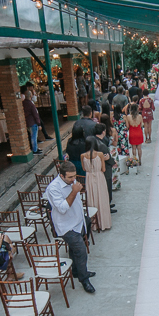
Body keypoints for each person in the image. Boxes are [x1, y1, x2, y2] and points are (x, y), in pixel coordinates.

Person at [43, 162, 95, 294]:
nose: (73, 179)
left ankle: (76, 271)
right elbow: (62, 208)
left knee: (76, 247)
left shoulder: (72, 180)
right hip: (66, 226)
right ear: (61, 176)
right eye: (70, 177)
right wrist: (74, 191)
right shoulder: (53, 188)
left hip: (78, 220)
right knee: (81, 251)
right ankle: (84, 279)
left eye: (74, 176)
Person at [81, 136, 112, 230]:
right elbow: (103, 169)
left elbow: (84, 169)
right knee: (102, 197)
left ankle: (94, 224)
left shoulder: (83, 156)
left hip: (89, 178)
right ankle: (104, 223)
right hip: (99, 177)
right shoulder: (100, 154)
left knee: (92, 198)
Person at [90, 124, 117, 211]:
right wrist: (113, 162)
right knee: (107, 188)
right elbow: (107, 157)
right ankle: (107, 205)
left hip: (100, 168)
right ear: (103, 132)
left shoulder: (94, 141)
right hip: (105, 169)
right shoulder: (101, 145)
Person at [21, 85, 44, 156]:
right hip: (33, 122)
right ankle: (35, 150)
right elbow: (35, 114)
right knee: (34, 136)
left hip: (27, 122)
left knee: (32, 136)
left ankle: (35, 148)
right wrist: (39, 124)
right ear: (30, 96)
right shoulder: (31, 104)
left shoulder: (23, 103)